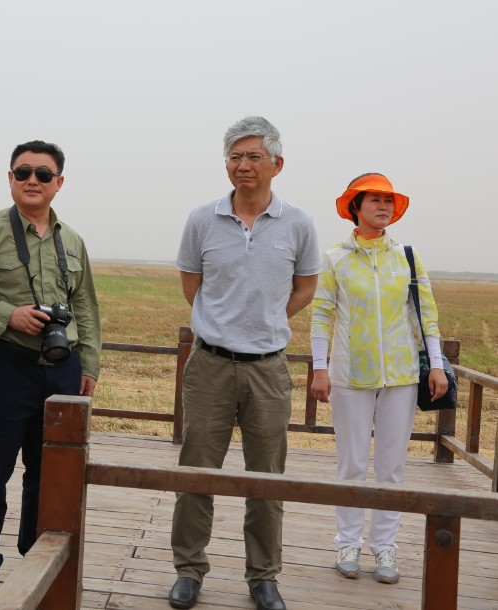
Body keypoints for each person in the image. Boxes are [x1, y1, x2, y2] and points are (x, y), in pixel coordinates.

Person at [169, 116, 320, 610]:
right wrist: (223, 322)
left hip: (268, 369)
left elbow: (306, 287)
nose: (243, 165)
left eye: (254, 156)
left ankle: (263, 576)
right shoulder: (201, 220)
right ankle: (189, 569)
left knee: (267, 478)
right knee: (196, 472)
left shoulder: (298, 223)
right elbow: (193, 286)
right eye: (235, 156)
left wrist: (267, 319)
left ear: (278, 164)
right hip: (210, 364)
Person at [0, 140, 102, 608]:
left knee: (50, 473)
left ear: (59, 182)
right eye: (23, 172)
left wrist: (89, 364)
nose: (33, 180)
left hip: (62, 369)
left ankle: (38, 562)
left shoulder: (72, 241)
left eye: (43, 174)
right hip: (7, 366)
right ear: (10, 178)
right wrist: (7, 315)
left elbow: (86, 307)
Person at [309, 173, 448, 585]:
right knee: (351, 464)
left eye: (389, 200)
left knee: (391, 468)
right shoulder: (335, 258)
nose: (384, 206)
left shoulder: (407, 257)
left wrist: (436, 365)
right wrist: (320, 367)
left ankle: (385, 547)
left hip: (401, 377)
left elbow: (426, 316)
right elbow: (321, 314)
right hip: (350, 375)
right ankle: (347, 543)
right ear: (356, 207)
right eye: (374, 199)